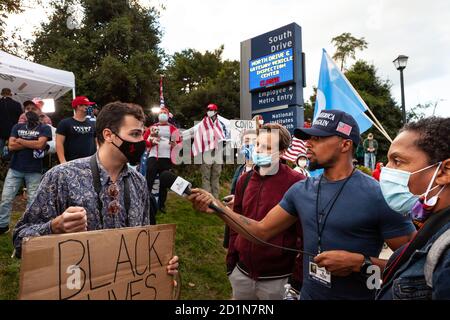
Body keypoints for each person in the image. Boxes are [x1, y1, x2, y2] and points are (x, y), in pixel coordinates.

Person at [188, 110, 416, 300]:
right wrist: (218, 207)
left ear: (345, 144)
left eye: (318, 138)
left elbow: (414, 264)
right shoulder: (300, 190)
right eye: (308, 137)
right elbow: (260, 231)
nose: (308, 144)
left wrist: (360, 263)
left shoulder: (377, 194)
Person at [12, 101, 179, 274]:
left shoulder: (139, 182)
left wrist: (160, 263)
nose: (141, 142)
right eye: (135, 134)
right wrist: (54, 227)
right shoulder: (62, 176)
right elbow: (20, 240)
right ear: (108, 135)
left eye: (142, 134)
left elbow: (144, 239)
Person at [225, 123, 305, 300]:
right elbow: (234, 225)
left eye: (267, 147)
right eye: (258, 145)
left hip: (278, 281)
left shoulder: (297, 183)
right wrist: (231, 264)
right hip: (241, 275)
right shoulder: (244, 180)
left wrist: (296, 280)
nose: (259, 151)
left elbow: (305, 236)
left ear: (283, 152)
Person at [376, 117, 450, 299]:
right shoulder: (434, 226)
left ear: (445, 171)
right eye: (388, 161)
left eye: (398, 161)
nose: (387, 171)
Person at [0, 109, 52, 235]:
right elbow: (11, 146)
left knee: (32, 200)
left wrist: (21, 141)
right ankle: (2, 225)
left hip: (34, 169)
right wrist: (32, 143)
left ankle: (29, 225)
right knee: (6, 198)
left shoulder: (45, 128)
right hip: (15, 168)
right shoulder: (17, 126)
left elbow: (40, 145)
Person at [143, 107, 181, 212]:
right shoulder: (152, 127)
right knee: (149, 180)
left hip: (166, 159)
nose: (162, 114)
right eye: (161, 113)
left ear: (168, 115)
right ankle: (146, 202)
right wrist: (152, 142)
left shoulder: (173, 128)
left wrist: (175, 145)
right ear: (158, 115)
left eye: (165, 113)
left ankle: (161, 205)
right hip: (153, 157)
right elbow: (144, 141)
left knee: (164, 182)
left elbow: (179, 144)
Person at [56, 96, 97, 163]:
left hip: (90, 162)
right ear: (79, 106)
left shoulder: (92, 123)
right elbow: (59, 143)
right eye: (86, 105)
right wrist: (63, 161)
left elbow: (97, 142)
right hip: (72, 162)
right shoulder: (65, 123)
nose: (90, 107)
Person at [0, 88, 23, 155]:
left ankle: (2, 161)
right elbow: (21, 118)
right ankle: (11, 161)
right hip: (13, 130)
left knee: (1, 147)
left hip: (1, 131)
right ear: (10, 94)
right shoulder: (17, 104)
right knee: (13, 147)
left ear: (1, 94)